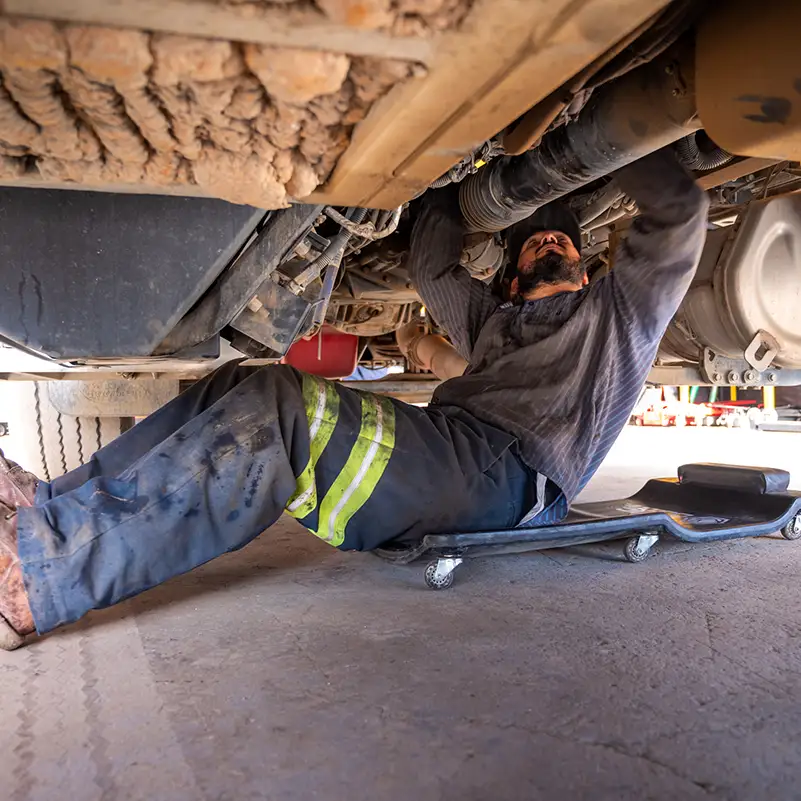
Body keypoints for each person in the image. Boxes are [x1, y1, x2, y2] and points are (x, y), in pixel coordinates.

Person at [0, 149, 709, 649]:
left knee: (283, 410)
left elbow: (680, 213)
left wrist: (599, 145)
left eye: (564, 241)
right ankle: (51, 503)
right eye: (532, 241)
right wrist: (449, 166)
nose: (549, 239)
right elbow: (432, 265)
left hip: (511, 479)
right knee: (239, 382)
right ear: (511, 276)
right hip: (454, 454)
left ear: (587, 268)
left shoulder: (616, 319)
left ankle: (44, 577)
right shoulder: (495, 322)